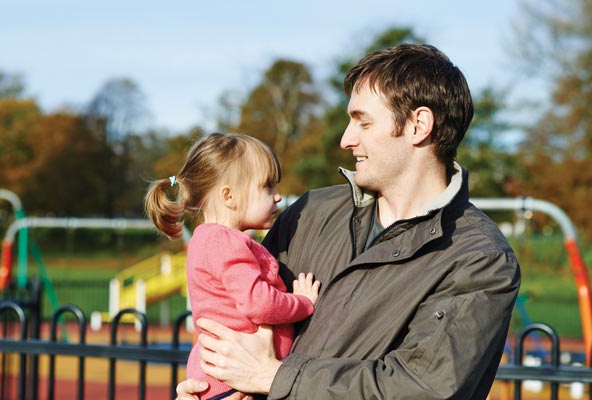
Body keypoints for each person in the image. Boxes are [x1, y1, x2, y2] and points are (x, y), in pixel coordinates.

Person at [176, 43, 521, 400]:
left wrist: (276, 377)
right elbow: (241, 321)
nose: (346, 139)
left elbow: (422, 388)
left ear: (419, 125)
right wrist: (207, 391)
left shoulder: (480, 259)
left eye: (364, 122)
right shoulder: (309, 213)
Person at [144, 132, 320, 400]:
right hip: (232, 384)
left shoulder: (209, 239)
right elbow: (258, 303)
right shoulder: (225, 242)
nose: (278, 196)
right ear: (229, 196)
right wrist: (303, 303)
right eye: (267, 187)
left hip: (225, 380)